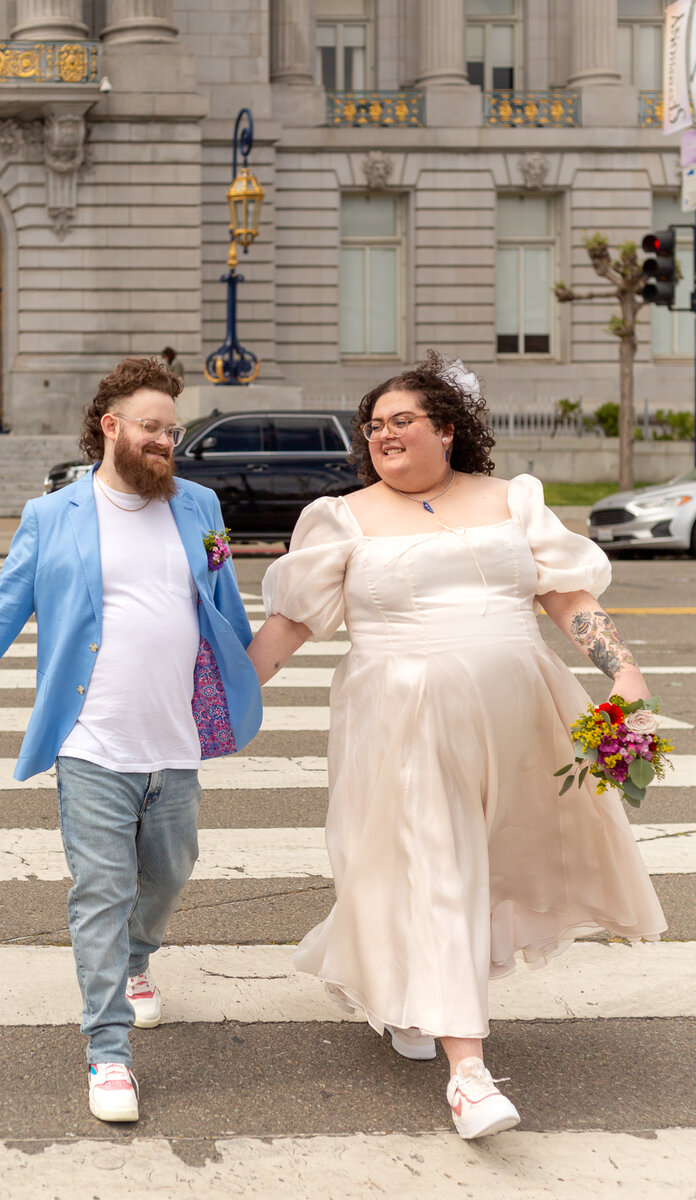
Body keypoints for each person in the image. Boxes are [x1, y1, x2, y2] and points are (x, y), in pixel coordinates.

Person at [247, 352, 666, 1141]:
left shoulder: (514, 501)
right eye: (373, 426)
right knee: (442, 863)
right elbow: (290, 626)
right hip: (402, 720)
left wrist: (626, 675)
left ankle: (398, 980)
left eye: (402, 420)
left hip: (521, 718)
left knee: (488, 861)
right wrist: (218, 700)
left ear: (447, 428)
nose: (383, 435)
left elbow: (567, 597)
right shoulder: (346, 516)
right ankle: (469, 1075)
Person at [0, 356, 262, 1124]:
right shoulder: (55, 515)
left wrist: (250, 674)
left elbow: (224, 605)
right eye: (151, 428)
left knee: (170, 876)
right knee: (100, 892)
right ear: (110, 427)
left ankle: (139, 960)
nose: (165, 442)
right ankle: (108, 1050)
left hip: (174, 739)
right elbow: (4, 607)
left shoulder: (200, 506)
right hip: (90, 740)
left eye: (172, 430)